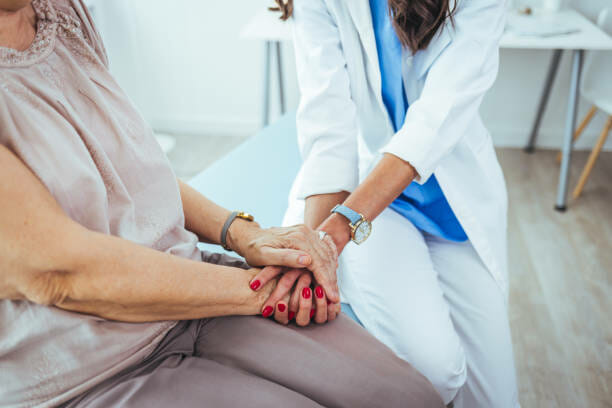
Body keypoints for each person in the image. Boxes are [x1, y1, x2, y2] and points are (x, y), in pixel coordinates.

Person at [0, 0, 445, 407]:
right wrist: (269, 289)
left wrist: (245, 233)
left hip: (193, 291)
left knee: (410, 397)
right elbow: (62, 275)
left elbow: (125, 166)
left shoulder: (61, 12)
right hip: (89, 368)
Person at [255, 0, 520, 406]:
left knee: (494, 399)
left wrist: (334, 232)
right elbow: (328, 125)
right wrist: (314, 251)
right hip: (372, 205)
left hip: (451, 207)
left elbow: (437, 117)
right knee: (439, 373)